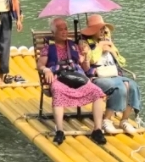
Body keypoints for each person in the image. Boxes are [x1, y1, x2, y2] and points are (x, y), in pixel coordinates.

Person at [37, 18, 108, 146]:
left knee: (97, 92)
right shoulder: (48, 48)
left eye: (66, 29)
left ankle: (97, 129)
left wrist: (85, 55)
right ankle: (59, 130)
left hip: (77, 76)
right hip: (59, 78)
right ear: (54, 32)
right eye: (61, 29)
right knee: (57, 90)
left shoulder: (74, 46)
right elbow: (40, 65)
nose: (64, 32)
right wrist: (46, 69)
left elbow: (85, 68)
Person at [81, 14, 143, 134]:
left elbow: (122, 62)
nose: (103, 31)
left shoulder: (108, 42)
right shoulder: (85, 43)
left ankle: (124, 120)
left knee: (133, 86)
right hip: (97, 77)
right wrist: (99, 47)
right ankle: (107, 120)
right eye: (100, 29)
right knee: (119, 87)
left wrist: (112, 49)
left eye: (104, 29)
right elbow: (91, 60)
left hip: (114, 75)